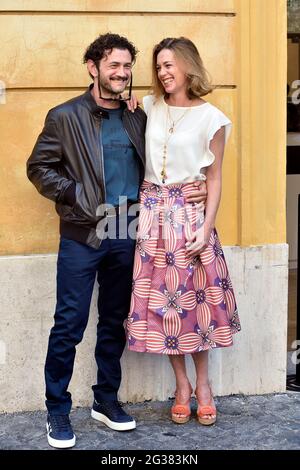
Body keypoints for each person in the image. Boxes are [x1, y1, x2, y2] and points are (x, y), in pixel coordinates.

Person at [26, 33, 206, 448]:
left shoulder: (137, 116)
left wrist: (198, 185)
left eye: (127, 67)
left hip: (129, 233)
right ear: (93, 67)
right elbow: (38, 167)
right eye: (114, 66)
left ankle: (105, 400)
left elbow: (171, 153)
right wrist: (75, 194)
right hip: (83, 233)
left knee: (113, 322)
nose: (122, 74)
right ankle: (57, 408)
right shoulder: (64, 116)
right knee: (68, 324)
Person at [127, 37, 241, 426]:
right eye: (159, 66)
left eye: (170, 64)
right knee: (164, 307)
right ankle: (181, 386)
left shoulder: (213, 118)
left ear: (189, 66)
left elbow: (215, 176)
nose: (163, 72)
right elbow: (122, 108)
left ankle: (204, 385)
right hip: (152, 216)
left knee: (196, 306)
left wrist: (206, 228)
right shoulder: (148, 106)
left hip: (190, 218)